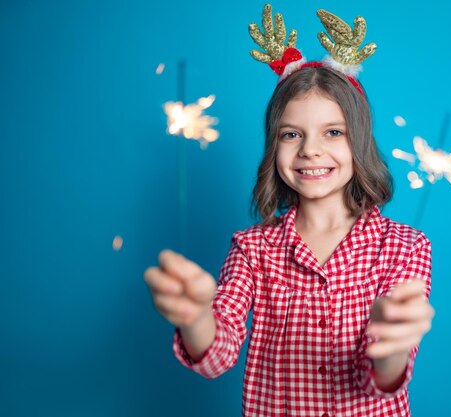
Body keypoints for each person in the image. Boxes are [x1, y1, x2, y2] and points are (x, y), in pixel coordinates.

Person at [144, 5, 435, 416]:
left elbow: (382, 382)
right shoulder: (251, 249)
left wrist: (394, 344)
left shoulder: (406, 247)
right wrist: (195, 318)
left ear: (360, 143)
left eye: (333, 132)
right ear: (273, 146)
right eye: (291, 134)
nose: (310, 149)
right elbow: (217, 355)